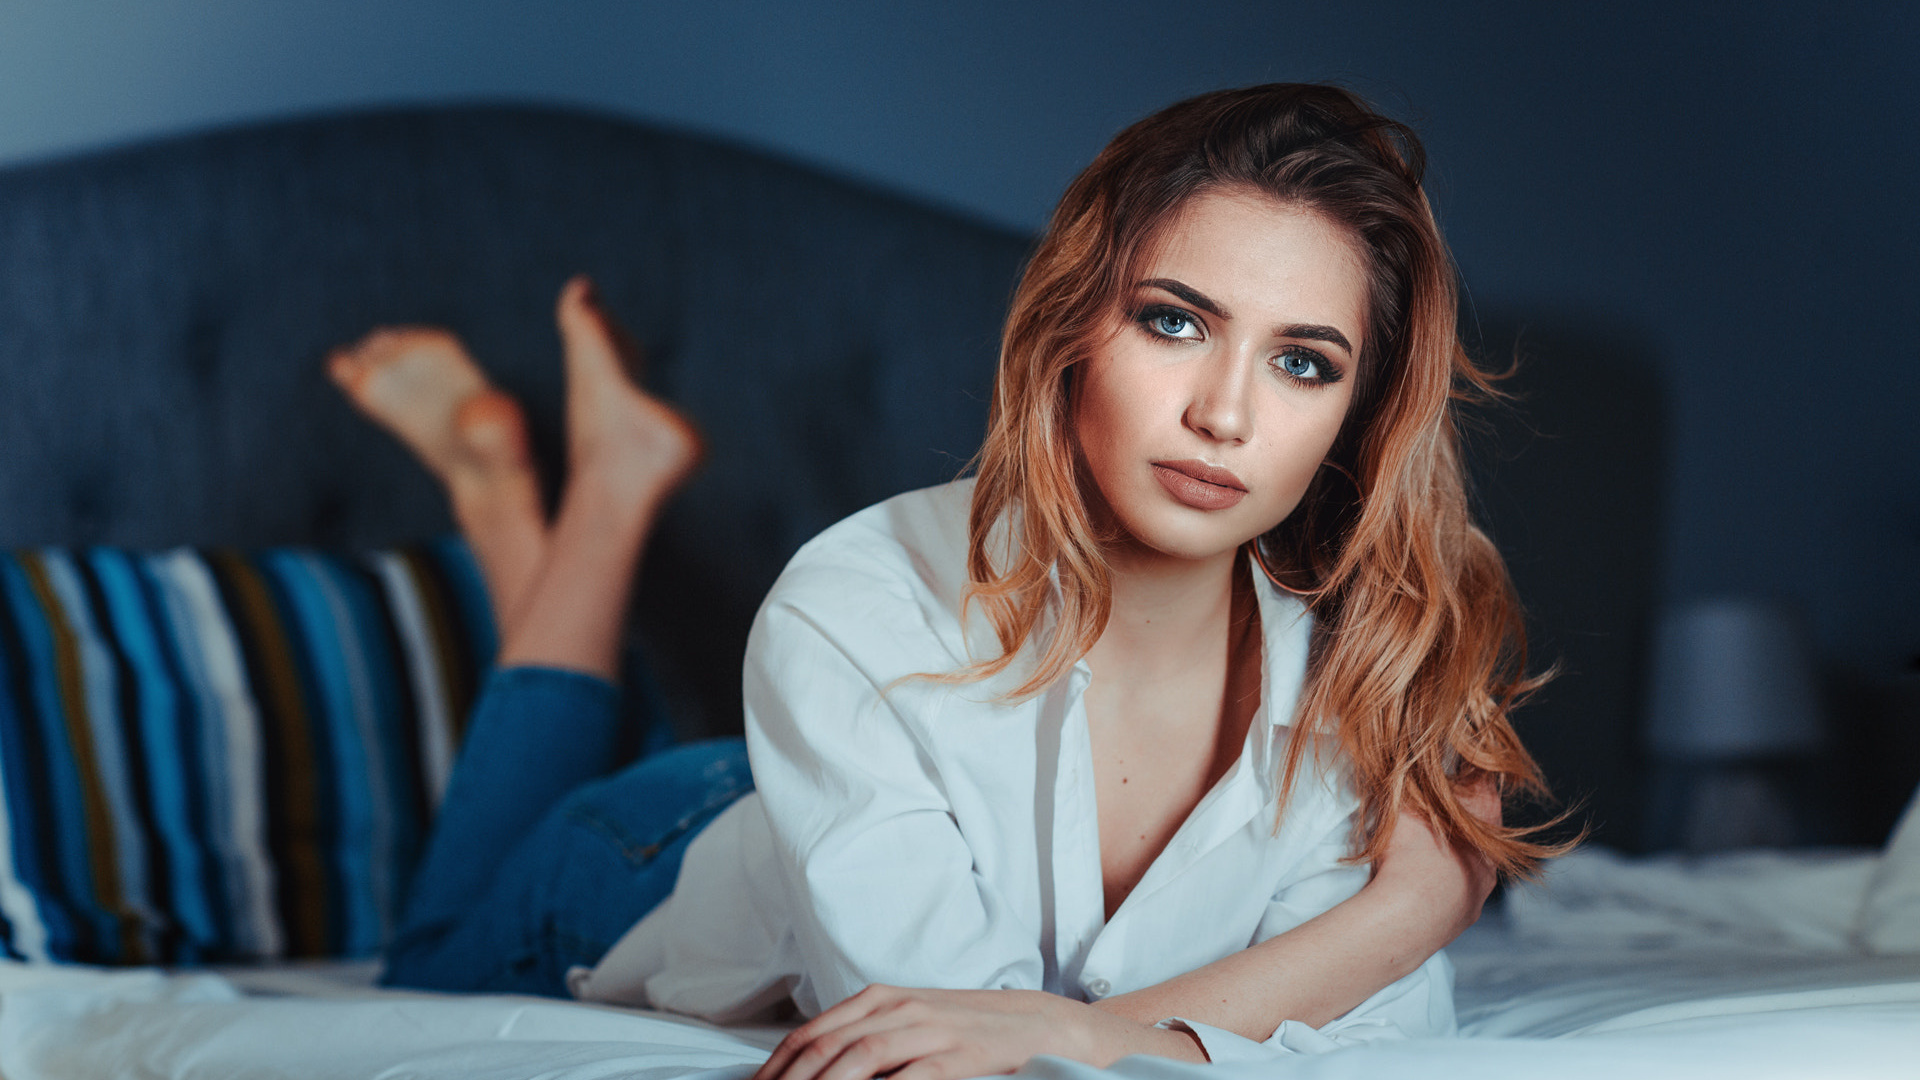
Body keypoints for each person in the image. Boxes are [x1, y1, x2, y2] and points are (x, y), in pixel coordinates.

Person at [332, 83, 1564, 1077]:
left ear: (1355, 418)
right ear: (1074, 328)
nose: (1224, 415)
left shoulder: (1368, 674)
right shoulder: (853, 599)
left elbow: (1380, 1041)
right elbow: (972, 1059)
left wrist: (1406, 915)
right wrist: (1399, 914)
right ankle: (571, 505)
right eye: (1175, 323)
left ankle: (549, 507)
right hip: (669, 850)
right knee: (427, 963)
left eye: (1303, 363)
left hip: (820, 768)